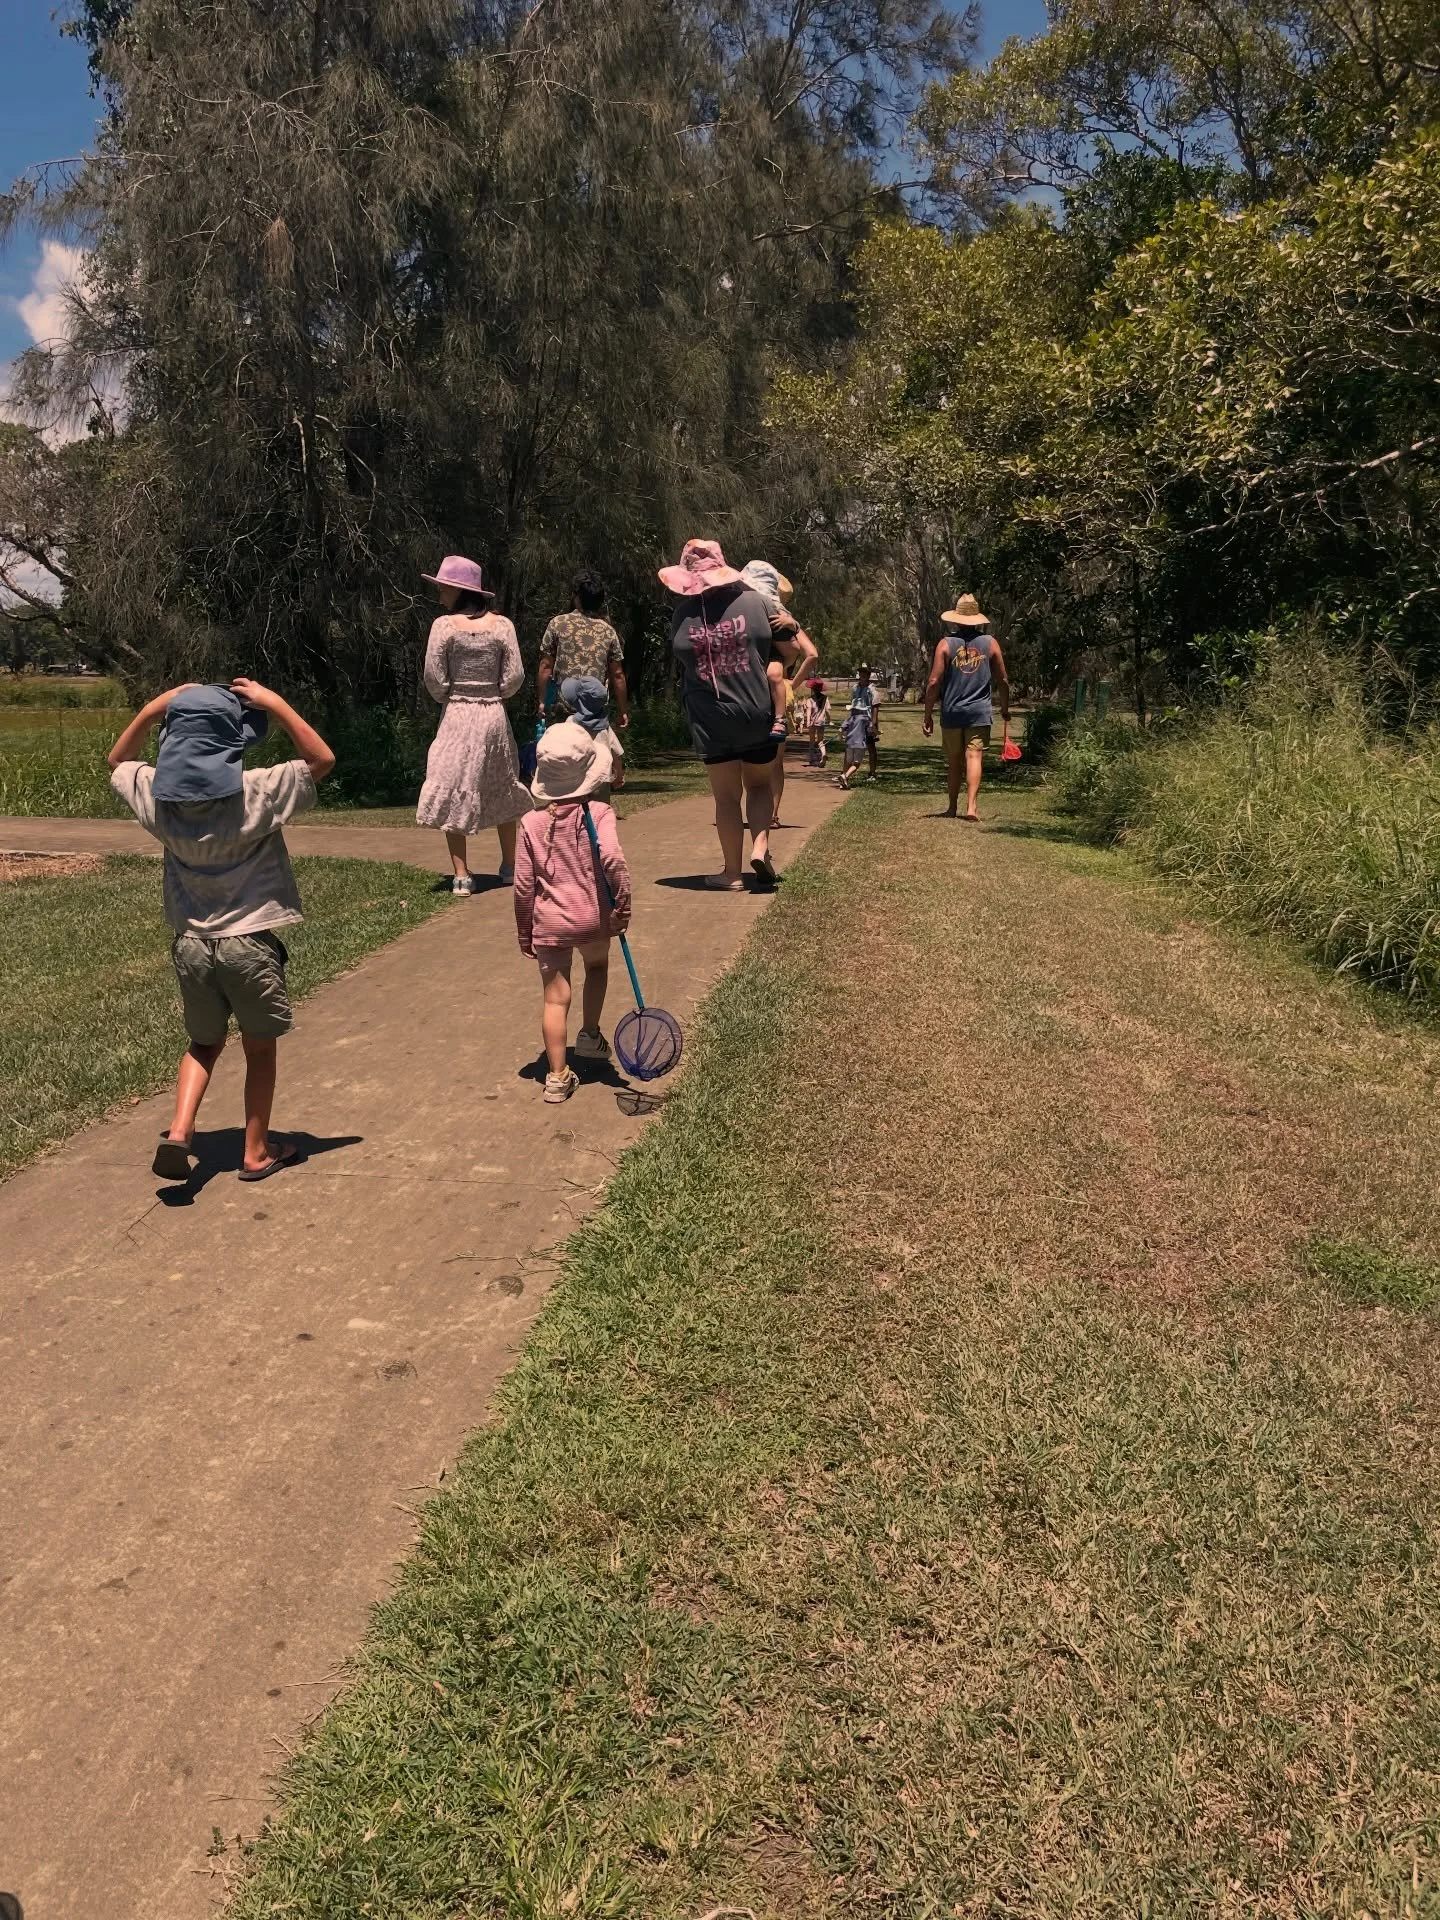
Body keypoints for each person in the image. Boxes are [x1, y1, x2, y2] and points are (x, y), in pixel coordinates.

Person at [107, 679, 336, 1183]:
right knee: (258, 1049)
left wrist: (151, 709)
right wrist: (275, 703)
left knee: (202, 1043)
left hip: (191, 945)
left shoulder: (156, 800)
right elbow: (321, 760)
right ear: (232, 745)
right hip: (250, 943)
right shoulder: (256, 791)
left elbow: (117, 761)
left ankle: (180, 1132)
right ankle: (256, 1152)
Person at [660, 538, 812, 891]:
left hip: (710, 718)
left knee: (726, 797)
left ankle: (731, 874)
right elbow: (791, 650)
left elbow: (682, 656)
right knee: (758, 784)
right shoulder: (757, 603)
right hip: (757, 710)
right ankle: (760, 846)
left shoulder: (683, 615)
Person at [514, 720, 632, 1104]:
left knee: (554, 998)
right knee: (596, 967)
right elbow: (612, 858)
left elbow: (523, 885)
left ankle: (557, 1076)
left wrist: (523, 930)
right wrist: (623, 903)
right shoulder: (597, 813)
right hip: (592, 917)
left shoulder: (530, 823)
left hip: (548, 923)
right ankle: (590, 1034)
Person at [415, 554, 531, 892]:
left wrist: (452, 694)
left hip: (458, 715)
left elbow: (433, 676)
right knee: (502, 783)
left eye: (443, 588)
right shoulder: (503, 625)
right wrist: (495, 692)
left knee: (451, 783)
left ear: (457, 590)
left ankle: (462, 874)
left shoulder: (444, 626)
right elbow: (515, 676)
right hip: (493, 713)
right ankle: (510, 865)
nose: (439, 596)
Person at [923, 592, 1011, 821]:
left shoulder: (945, 644)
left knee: (954, 761)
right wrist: (1004, 707)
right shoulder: (990, 643)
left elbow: (933, 682)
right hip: (979, 712)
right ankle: (971, 807)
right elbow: (1002, 679)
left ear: (956, 619)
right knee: (974, 757)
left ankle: (952, 807)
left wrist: (928, 714)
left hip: (952, 711)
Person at [537, 571, 629, 731]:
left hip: (562, 706)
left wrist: (542, 701)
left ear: (576, 596)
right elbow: (618, 675)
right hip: (593, 710)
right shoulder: (608, 631)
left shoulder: (558, 624)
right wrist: (623, 711)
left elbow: (546, 666)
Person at [559, 674, 626, 798]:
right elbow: (616, 754)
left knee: (578, 813)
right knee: (601, 812)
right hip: (601, 779)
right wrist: (619, 775)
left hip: (578, 781)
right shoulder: (605, 728)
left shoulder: (571, 723)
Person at [803, 679, 830, 767]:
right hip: (821, 722)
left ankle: (811, 759)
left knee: (812, 741)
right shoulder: (825, 698)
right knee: (820, 741)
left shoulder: (810, 699)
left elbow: (808, 711)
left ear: (812, 689)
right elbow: (827, 711)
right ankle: (823, 754)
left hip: (812, 723)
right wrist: (829, 720)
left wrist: (807, 722)